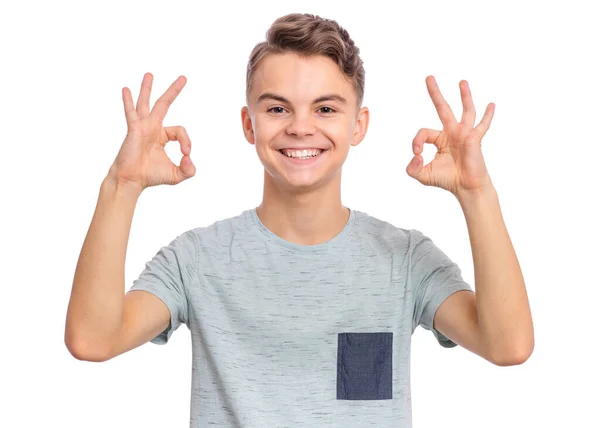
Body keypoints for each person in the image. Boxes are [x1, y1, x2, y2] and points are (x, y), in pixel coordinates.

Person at [65, 12, 534, 427]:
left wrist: (477, 194)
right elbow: (92, 339)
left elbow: (507, 346)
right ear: (249, 124)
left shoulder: (405, 260)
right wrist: (121, 185)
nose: (300, 127)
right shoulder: (197, 259)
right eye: (277, 108)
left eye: (325, 108)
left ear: (359, 125)